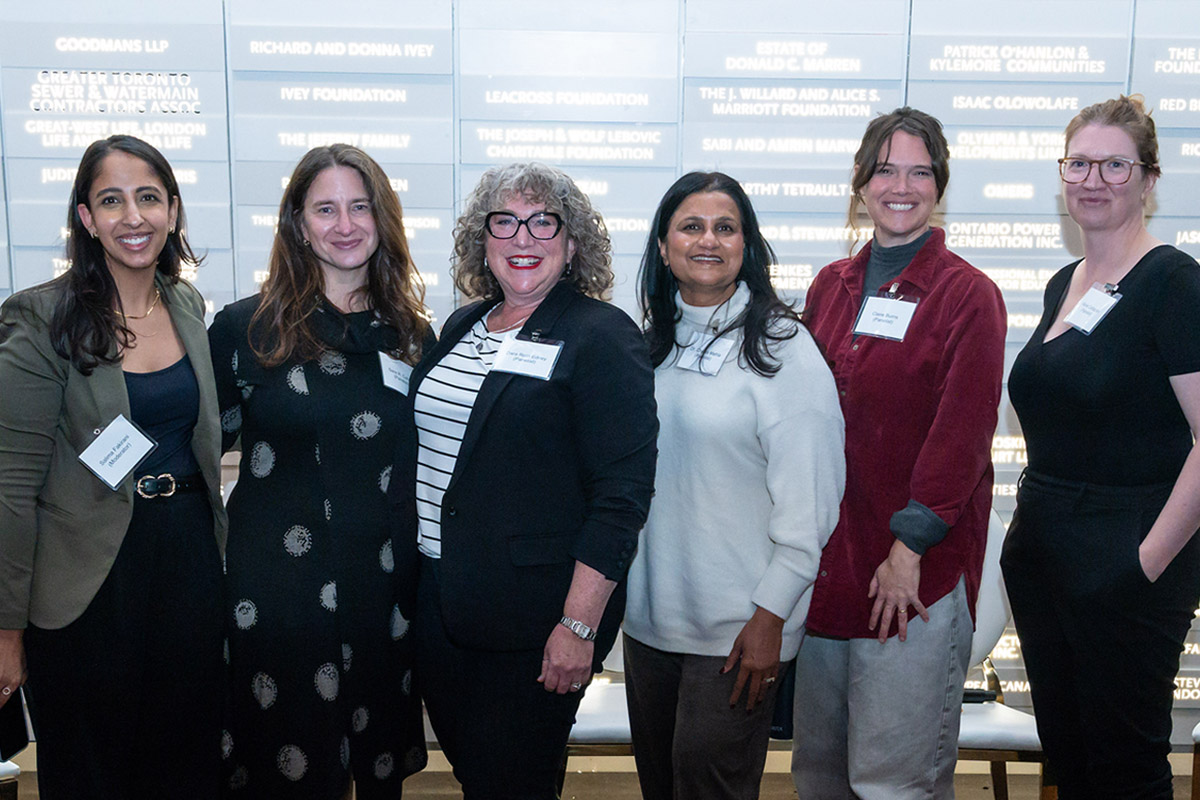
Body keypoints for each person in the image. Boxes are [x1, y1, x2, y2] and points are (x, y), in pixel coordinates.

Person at [389, 162, 657, 799]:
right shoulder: (462, 327)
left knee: (515, 781)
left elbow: (621, 498)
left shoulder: (600, 336)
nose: (523, 238)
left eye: (544, 222)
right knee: (481, 777)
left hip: (536, 622)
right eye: (504, 222)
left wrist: (579, 627)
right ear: (483, 241)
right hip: (441, 600)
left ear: (572, 244)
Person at [791, 108, 1007, 799]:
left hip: (911, 579)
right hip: (829, 576)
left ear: (940, 184)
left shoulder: (968, 296)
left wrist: (907, 549)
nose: (901, 186)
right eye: (885, 169)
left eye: (920, 171)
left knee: (892, 784)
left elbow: (963, 435)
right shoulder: (830, 287)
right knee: (819, 778)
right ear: (860, 183)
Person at [0, 135, 225, 798]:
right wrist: (5, 630)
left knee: (185, 765)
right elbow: (11, 489)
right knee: (94, 774)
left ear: (174, 211)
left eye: (149, 197)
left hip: (186, 561)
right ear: (86, 218)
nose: (134, 215)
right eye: (111, 200)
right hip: (89, 582)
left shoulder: (184, 305)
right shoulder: (40, 319)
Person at [209, 144, 431, 797]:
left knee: (377, 769)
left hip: (381, 594)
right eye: (325, 208)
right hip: (275, 601)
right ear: (298, 224)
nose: (344, 224)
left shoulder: (413, 337)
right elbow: (188, 447)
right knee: (286, 773)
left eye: (360, 206)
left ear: (383, 218)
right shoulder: (244, 328)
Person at [1001, 95, 1200, 799]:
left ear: (1148, 180)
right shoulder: (1068, 282)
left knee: (1126, 769)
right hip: (1046, 552)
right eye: (1079, 163)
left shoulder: (1174, 285)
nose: (1093, 179)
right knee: (1075, 762)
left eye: (1114, 164)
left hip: (1127, 554)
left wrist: (1144, 562)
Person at [624, 171, 844, 800]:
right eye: (691, 226)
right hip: (649, 627)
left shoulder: (783, 349)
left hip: (739, 632)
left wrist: (771, 617)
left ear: (747, 245)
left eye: (726, 228)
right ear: (663, 247)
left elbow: (813, 502)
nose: (708, 241)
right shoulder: (647, 346)